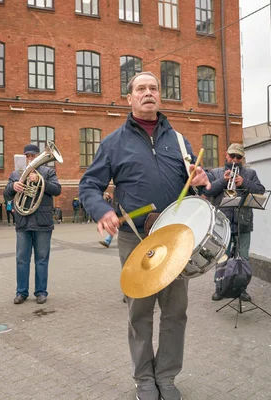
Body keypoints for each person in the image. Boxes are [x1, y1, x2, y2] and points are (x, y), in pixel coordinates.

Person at [79, 71, 212, 400]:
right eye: (141, 89)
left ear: (159, 97)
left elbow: (197, 186)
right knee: (139, 313)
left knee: (175, 311)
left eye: (153, 88)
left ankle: (166, 376)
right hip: (135, 238)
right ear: (130, 98)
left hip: (176, 238)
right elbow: (89, 186)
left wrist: (200, 180)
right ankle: (144, 380)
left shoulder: (180, 141)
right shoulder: (113, 143)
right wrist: (103, 211)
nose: (148, 93)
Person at [204, 143, 265, 302]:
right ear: (226, 155)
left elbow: (260, 190)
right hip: (222, 224)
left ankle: (241, 288)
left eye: (238, 157)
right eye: (232, 156)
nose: (235, 160)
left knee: (243, 257)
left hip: (243, 223)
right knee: (222, 258)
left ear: (242, 158)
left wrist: (244, 182)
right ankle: (220, 288)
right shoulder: (215, 172)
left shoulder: (250, 173)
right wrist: (223, 181)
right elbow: (208, 191)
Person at [4, 144, 62, 305]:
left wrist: (41, 180)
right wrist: (13, 187)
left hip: (43, 222)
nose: (30, 159)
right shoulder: (16, 174)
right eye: (27, 156)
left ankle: (41, 292)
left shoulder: (48, 172)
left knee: (41, 259)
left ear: (38, 157)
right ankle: (21, 292)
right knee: (21, 259)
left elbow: (57, 190)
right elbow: (6, 194)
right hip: (23, 222)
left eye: (33, 156)